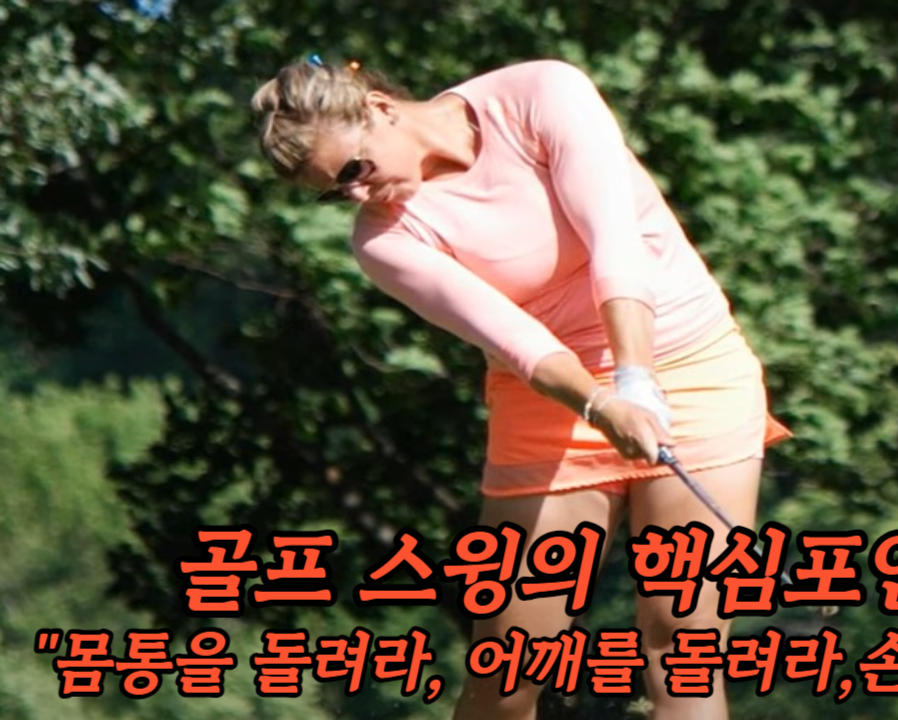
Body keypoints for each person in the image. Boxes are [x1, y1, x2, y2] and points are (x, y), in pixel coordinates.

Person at [251, 56, 791, 719]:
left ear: (381, 109)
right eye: (336, 192)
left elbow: (614, 242)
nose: (358, 196)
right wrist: (604, 403)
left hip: (692, 370)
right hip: (548, 404)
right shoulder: (385, 240)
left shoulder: (541, 93)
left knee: (682, 648)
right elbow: (518, 341)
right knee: (508, 676)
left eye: (353, 170)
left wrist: (634, 377)